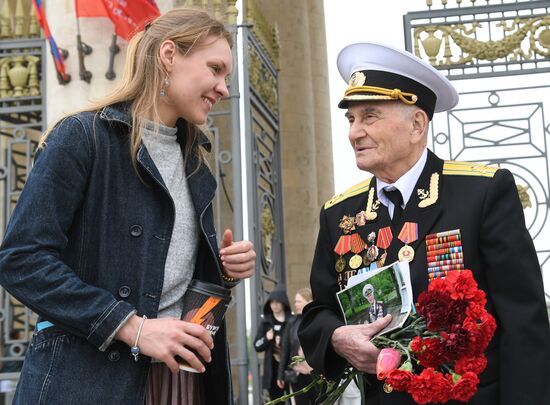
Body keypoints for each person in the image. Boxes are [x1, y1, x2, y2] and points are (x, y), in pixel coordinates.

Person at [0, 7, 256, 405]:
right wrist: (131, 326)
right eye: (215, 68)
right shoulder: (82, 137)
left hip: (178, 383)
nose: (223, 87)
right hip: (86, 382)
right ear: (169, 55)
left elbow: (155, 279)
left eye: (226, 76)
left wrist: (220, 272)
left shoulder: (196, 166)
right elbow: (21, 260)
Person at [298, 41, 550, 405]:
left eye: (370, 116)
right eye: (351, 119)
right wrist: (337, 337)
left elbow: (524, 323)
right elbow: (318, 313)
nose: (354, 132)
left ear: (417, 124)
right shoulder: (340, 214)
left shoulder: (481, 193)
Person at [277, 287, 317, 405]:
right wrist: (280, 375)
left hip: (317, 375)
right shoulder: (291, 323)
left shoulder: (318, 320)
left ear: (309, 302)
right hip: (297, 375)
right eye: (295, 301)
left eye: (298, 301)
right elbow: (285, 351)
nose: (295, 304)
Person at [254, 289, 292, 403]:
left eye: (277, 302)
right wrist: (267, 338)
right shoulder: (266, 322)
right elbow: (257, 345)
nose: (274, 305)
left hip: (290, 369)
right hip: (272, 373)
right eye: (272, 302)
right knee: (276, 401)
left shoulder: (291, 321)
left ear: (283, 303)